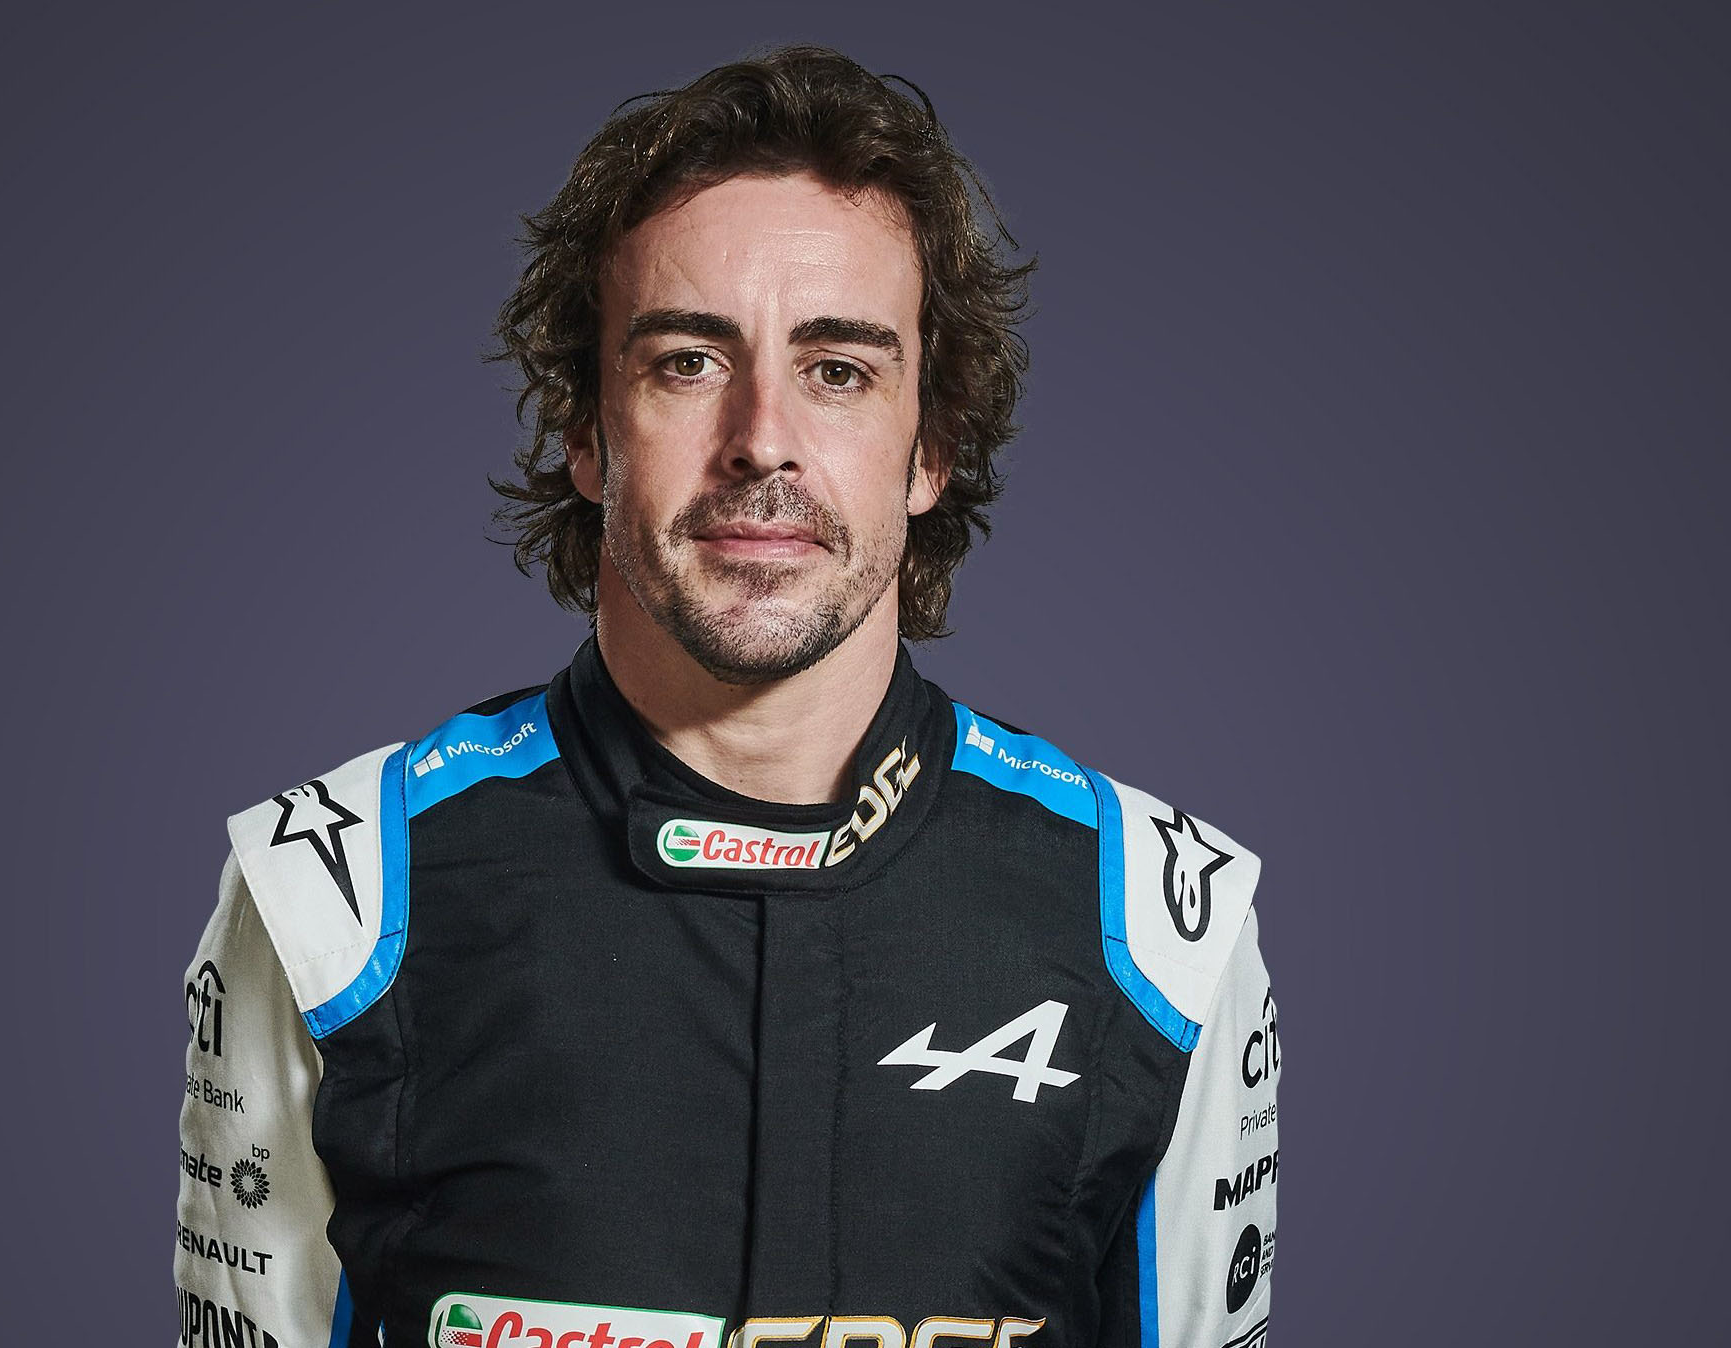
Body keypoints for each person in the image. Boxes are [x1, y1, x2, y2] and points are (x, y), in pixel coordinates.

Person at [176, 46, 1279, 1348]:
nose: (762, 439)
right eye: (688, 362)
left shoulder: (1158, 928)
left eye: (839, 369)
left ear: (930, 447)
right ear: (586, 431)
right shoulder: (336, 903)